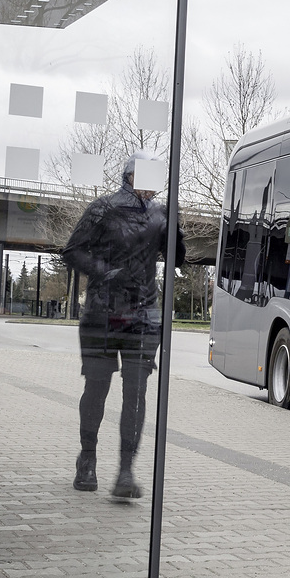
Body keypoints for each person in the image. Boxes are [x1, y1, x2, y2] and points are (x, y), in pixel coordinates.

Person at [65, 150, 184, 499]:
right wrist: (106, 272)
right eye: (146, 176)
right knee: (97, 389)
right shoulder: (104, 207)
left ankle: (126, 470)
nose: (153, 185)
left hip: (144, 315)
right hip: (103, 312)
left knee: (136, 393)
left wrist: (175, 228)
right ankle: (87, 459)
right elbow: (72, 250)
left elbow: (178, 257)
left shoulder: (161, 213)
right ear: (130, 177)